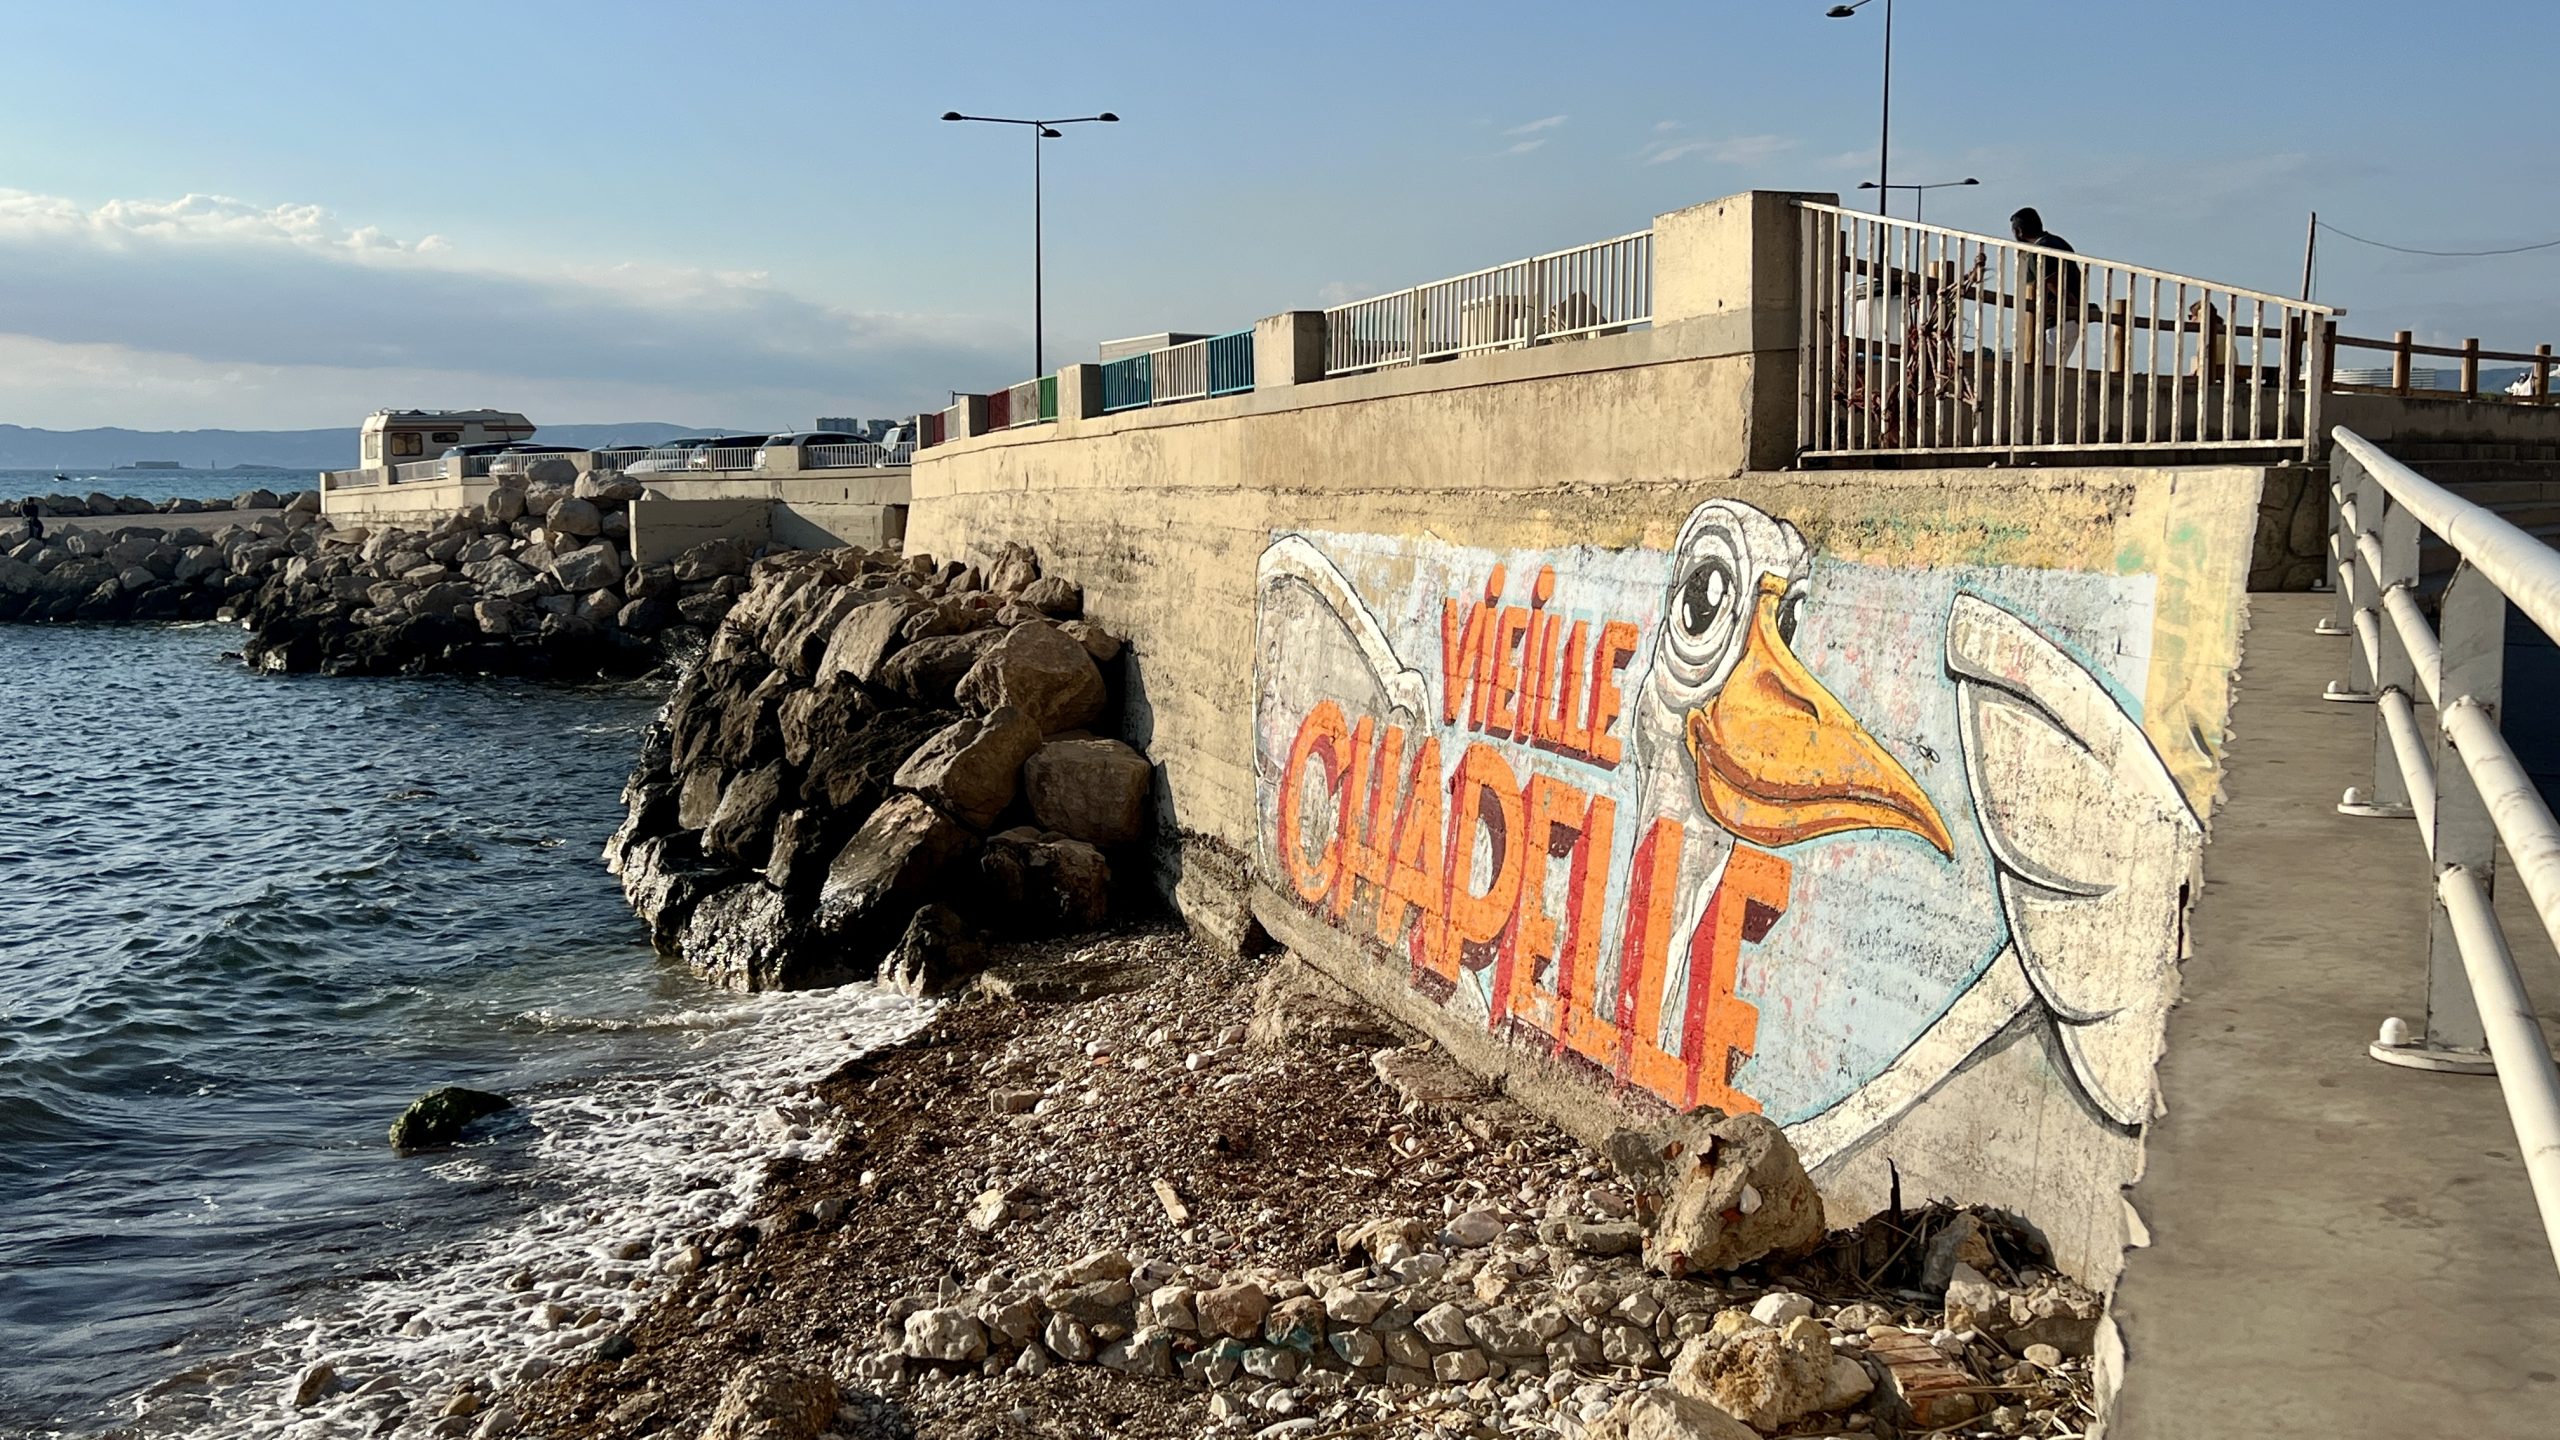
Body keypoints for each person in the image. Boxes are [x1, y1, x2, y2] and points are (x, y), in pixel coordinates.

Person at [2010, 207, 2086, 360]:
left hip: (2055, 323)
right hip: (2067, 322)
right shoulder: (2059, 242)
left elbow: (2052, 281)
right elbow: (2077, 274)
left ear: (2019, 231)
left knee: (2043, 374)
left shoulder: (2040, 250)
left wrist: (2074, 308)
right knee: (2050, 372)